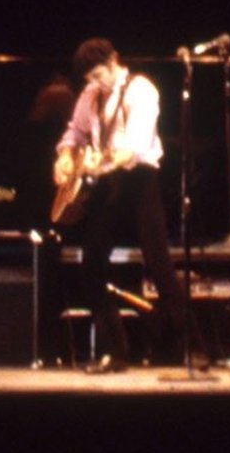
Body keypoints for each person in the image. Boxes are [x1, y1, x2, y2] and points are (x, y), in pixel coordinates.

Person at [55, 38, 204, 373]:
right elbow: (74, 134)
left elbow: (133, 148)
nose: (95, 84)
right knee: (91, 264)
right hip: (108, 183)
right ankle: (115, 351)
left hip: (140, 180)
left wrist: (98, 162)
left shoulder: (141, 91)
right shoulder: (90, 95)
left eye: (98, 76)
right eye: (89, 80)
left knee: (159, 264)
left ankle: (193, 345)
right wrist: (65, 158)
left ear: (114, 61)